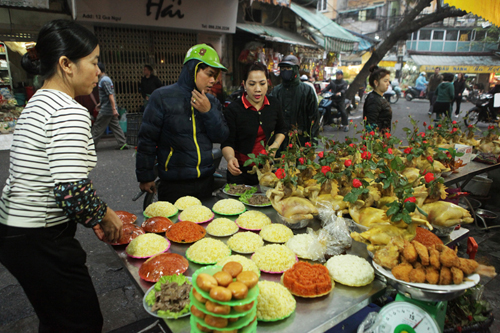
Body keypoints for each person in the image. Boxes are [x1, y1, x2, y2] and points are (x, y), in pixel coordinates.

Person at [0, 19, 123, 333]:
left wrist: (92, 216)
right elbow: (71, 190)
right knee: (80, 323)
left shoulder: (36, 102)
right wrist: (104, 215)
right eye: (94, 62)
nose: (99, 71)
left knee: (57, 320)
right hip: (40, 238)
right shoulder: (68, 110)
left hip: (15, 233)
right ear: (66, 64)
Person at [136, 44, 229, 203]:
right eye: (209, 74)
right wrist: (145, 177)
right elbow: (147, 140)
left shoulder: (211, 101)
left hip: (205, 180)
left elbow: (221, 136)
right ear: (193, 70)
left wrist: (208, 111)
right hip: (174, 184)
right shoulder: (162, 97)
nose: (213, 80)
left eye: (215, 76)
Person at [222, 62, 286, 185]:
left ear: (268, 83)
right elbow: (227, 141)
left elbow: (282, 129)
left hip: (267, 171)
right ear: (244, 84)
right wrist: (230, 158)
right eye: (252, 84)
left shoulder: (274, 104)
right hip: (240, 172)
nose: (258, 89)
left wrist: (274, 146)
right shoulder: (234, 109)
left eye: (262, 84)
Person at [271, 55, 318, 146]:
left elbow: (314, 119)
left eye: (288, 68)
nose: (285, 71)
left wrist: (312, 142)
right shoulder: (276, 91)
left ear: (295, 69)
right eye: (283, 68)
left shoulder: (307, 91)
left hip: (301, 142)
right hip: (280, 143)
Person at [91, 62, 128, 149]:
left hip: (106, 110)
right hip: (109, 108)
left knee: (98, 127)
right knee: (115, 126)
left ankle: (91, 146)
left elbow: (110, 95)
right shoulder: (104, 79)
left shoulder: (104, 80)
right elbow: (108, 95)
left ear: (100, 70)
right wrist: (100, 104)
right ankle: (123, 144)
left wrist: (114, 109)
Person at [363, 65, 393, 132]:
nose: (388, 84)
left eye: (388, 81)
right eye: (385, 81)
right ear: (376, 82)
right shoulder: (373, 100)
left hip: (383, 138)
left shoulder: (379, 97)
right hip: (377, 140)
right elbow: (370, 126)